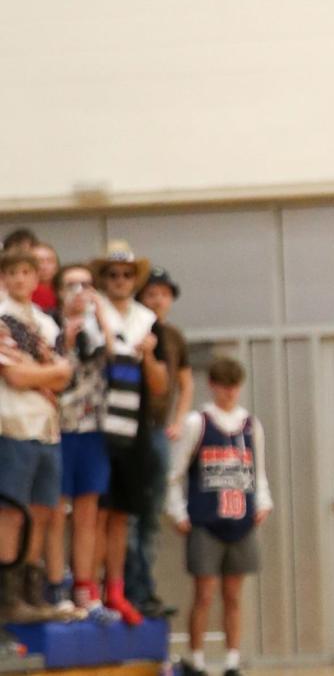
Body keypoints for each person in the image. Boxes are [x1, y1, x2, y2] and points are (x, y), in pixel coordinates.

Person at [166, 357, 272, 676]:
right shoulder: (198, 423)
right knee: (204, 593)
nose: (230, 393)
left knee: (233, 595)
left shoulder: (251, 424)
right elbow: (174, 473)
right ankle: (196, 659)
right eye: (224, 386)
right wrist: (176, 510)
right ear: (212, 386)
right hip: (206, 521)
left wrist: (263, 502)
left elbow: (259, 471)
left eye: (234, 387)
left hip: (241, 520)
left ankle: (232, 661)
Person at [91, 239, 167, 625]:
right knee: (93, 514)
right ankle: (89, 590)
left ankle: (117, 590)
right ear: (103, 279)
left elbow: (160, 386)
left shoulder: (149, 321)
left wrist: (149, 354)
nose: (119, 280)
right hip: (94, 426)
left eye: (126, 274)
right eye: (112, 274)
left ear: (134, 279)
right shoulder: (92, 314)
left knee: (122, 514)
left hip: (134, 428)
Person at [0, 249, 73, 623]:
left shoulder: (46, 322)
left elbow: (66, 377)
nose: (18, 279)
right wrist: (49, 373)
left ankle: (32, 590)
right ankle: (8, 595)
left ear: (36, 278)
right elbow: (14, 376)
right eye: (11, 272)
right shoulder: (1, 317)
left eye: (25, 272)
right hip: (13, 423)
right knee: (12, 512)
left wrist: (43, 374)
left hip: (48, 428)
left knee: (44, 509)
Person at [45, 263, 119, 623]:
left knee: (88, 514)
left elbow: (119, 358)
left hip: (94, 428)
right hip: (57, 429)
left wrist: (102, 319)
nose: (79, 292)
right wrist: (67, 340)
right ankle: (57, 587)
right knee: (57, 512)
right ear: (58, 291)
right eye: (71, 285)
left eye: (86, 285)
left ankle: (86, 590)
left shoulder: (101, 324)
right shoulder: (45, 325)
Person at [126, 266, 191, 618]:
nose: (157, 299)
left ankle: (145, 588)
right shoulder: (134, 328)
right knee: (131, 517)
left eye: (163, 294)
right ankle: (130, 589)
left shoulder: (173, 337)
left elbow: (185, 382)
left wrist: (179, 420)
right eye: (151, 293)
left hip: (157, 429)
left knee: (152, 514)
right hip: (129, 431)